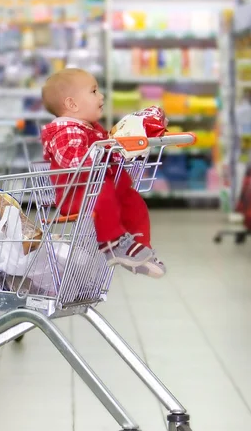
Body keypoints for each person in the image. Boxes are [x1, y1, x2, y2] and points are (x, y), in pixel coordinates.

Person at [40, 68, 165, 278]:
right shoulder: (65, 130)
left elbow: (109, 157)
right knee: (103, 191)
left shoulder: (90, 128)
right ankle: (113, 242)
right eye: (94, 91)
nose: (101, 96)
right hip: (77, 193)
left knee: (133, 201)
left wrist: (128, 146)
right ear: (72, 104)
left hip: (96, 188)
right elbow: (73, 161)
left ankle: (137, 247)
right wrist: (105, 151)